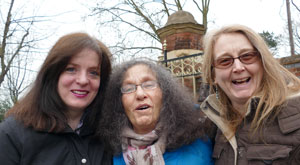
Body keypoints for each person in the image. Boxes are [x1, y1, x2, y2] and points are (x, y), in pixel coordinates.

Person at [0, 32, 112, 164]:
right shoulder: (12, 134)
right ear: (53, 74)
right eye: (71, 69)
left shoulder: (110, 135)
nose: (83, 80)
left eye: (93, 72)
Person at [200, 24, 300, 165]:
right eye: (225, 61)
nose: (238, 68)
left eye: (247, 56)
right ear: (213, 75)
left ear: (262, 62)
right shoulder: (213, 126)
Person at [98, 59, 213, 165]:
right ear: (119, 101)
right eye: (128, 88)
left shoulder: (199, 143)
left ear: (165, 93)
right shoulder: (107, 154)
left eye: (148, 85)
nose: (140, 94)